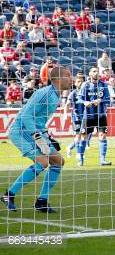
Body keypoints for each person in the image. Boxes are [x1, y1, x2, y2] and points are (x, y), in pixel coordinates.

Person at [2, 67, 72, 213]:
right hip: (22, 131)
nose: (70, 79)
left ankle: (42, 201)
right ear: (58, 79)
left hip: (36, 131)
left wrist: (47, 136)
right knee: (43, 161)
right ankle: (9, 195)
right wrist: (38, 137)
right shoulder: (44, 93)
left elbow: (39, 119)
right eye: (68, 75)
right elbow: (27, 115)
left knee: (58, 161)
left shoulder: (55, 94)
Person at [77, 67, 111, 166]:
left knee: (102, 136)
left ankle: (103, 160)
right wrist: (84, 102)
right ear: (90, 73)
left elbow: (108, 100)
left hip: (101, 115)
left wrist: (101, 100)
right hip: (88, 116)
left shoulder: (103, 85)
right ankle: (81, 159)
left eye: (97, 71)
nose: (96, 73)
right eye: (94, 71)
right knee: (83, 138)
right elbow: (79, 99)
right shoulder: (85, 85)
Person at [64, 77, 85, 159]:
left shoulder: (86, 93)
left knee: (83, 135)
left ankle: (69, 147)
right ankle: (78, 153)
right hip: (76, 117)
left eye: (81, 82)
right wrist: (65, 114)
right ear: (75, 83)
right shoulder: (73, 93)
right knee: (78, 135)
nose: (80, 83)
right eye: (78, 81)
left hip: (85, 117)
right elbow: (67, 105)